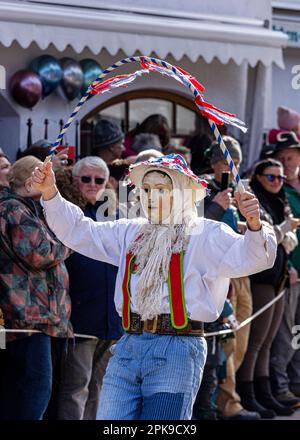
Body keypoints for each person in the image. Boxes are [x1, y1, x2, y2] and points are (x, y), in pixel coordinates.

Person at [31, 153, 276, 420]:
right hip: (128, 345)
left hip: (178, 348)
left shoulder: (206, 234)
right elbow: (81, 231)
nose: (149, 197)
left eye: (160, 189)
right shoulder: (131, 231)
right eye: (145, 189)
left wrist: (254, 224)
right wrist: (50, 192)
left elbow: (254, 258)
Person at [49, 157, 123, 420]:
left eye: (99, 180)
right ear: (74, 180)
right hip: (78, 316)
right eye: (86, 179)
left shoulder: (116, 215)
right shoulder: (67, 213)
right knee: (76, 386)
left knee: (101, 387)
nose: (92, 184)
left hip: (112, 319)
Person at [0, 156, 73, 420]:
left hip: (33, 317)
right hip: (29, 317)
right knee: (35, 391)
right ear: (32, 178)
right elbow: (39, 253)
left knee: (22, 392)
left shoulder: (23, 208)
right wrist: (70, 239)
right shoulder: (15, 209)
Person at [199, 136, 259, 420]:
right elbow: (197, 229)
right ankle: (223, 404)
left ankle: (227, 400)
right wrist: (218, 205)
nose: (229, 166)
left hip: (237, 273)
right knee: (219, 346)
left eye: (233, 161)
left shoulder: (235, 189)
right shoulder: (203, 188)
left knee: (238, 342)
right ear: (213, 163)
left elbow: (231, 229)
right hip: (213, 275)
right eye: (224, 161)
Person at [237, 158, 300, 417]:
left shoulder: (279, 201)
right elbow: (265, 234)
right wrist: (286, 228)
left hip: (278, 277)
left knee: (268, 342)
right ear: (258, 178)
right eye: (271, 177)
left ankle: (266, 393)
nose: (277, 182)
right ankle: (248, 394)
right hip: (261, 279)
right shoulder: (254, 201)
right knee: (255, 342)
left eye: (281, 178)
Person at [270, 131, 300, 403]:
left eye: (290, 156)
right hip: (290, 273)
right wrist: (289, 265)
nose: (286, 162)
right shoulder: (279, 189)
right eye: (281, 158)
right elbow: (278, 236)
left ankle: (297, 382)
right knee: (286, 333)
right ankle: (280, 387)